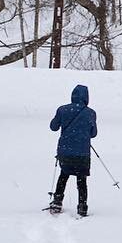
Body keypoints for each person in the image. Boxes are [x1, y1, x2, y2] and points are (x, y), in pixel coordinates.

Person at [49, 84, 98, 216]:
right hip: (82, 153)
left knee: (63, 175)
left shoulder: (62, 110)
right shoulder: (90, 113)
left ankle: (57, 202)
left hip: (65, 151)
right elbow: (93, 133)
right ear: (86, 97)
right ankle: (82, 206)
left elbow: (53, 127)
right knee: (81, 180)